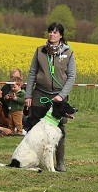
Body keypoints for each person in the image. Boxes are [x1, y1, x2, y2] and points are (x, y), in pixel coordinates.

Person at [25, 21, 76, 171]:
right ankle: (33, 158)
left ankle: (60, 162)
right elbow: (32, 73)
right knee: (34, 126)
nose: (51, 34)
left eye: (55, 32)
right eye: (50, 32)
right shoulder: (40, 51)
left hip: (58, 97)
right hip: (40, 93)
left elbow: (71, 76)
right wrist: (28, 95)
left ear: (61, 35)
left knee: (59, 129)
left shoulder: (68, 53)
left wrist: (62, 95)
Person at [0, 68, 26, 135]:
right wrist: (7, 97)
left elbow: (25, 101)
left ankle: (20, 131)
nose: (13, 79)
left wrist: (16, 98)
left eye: (16, 77)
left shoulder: (26, 88)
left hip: (21, 112)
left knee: (23, 121)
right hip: (9, 112)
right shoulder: (6, 87)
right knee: (10, 122)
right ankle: (11, 131)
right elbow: (3, 101)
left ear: (21, 77)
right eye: (12, 77)